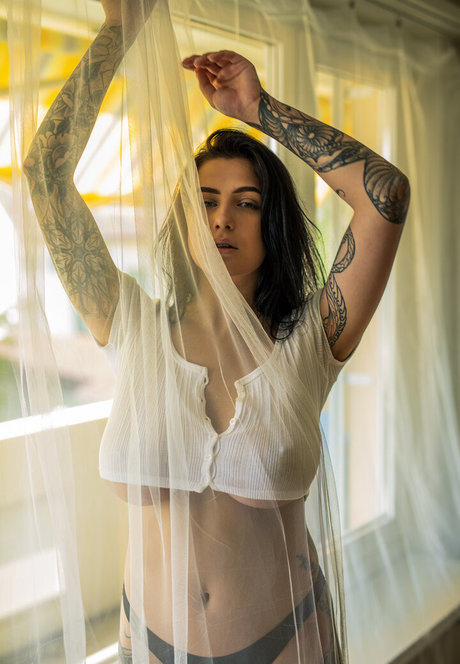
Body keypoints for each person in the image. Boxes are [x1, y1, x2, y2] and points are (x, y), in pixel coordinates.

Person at [23, 1, 410, 663]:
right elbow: (45, 176)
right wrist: (120, 30)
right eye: (205, 201)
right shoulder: (131, 325)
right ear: (185, 219)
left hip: (288, 638)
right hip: (146, 641)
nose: (223, 219)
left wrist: (259, 109)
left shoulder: (307, 342)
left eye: (246, 203)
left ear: (272, 224)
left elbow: (384, 196)